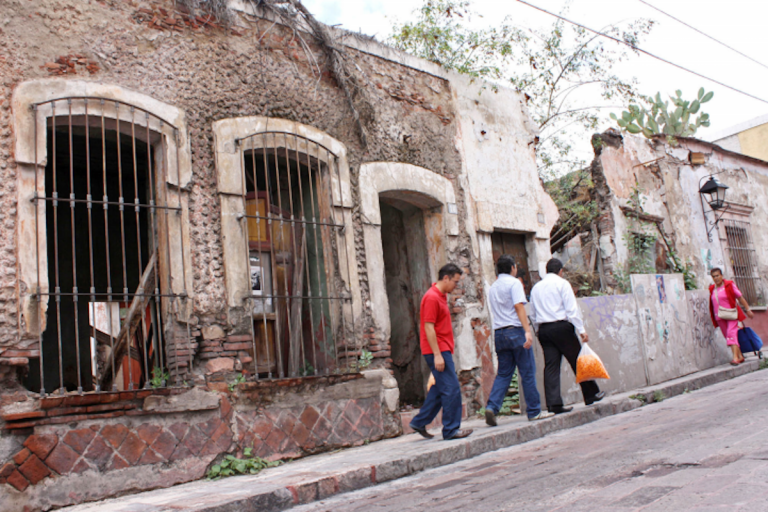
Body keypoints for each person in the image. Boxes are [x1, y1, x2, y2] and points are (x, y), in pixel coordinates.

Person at [485, 255, 554, 426]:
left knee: (503, 373)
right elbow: (518, 306)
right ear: (513, 267)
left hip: (499, 333)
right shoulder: (514, 283)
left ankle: (492, 407)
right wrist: (527, 331)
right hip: (515, 331)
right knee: (527, 372)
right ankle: (534, 411)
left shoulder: (493, 287)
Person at [530, 258, 604, 413]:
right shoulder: (562, 284)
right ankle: (591, 394)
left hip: (544, 329)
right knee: (578, 360)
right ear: (561, 271)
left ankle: (554, 404)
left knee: (551, 367)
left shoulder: (536, 288)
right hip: (561, 327)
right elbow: (572, 310)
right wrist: (581, 330)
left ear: (546, 271)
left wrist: (538, 331)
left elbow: (533, 313)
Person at [409, 263, 473, 440]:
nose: (456, 286)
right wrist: (437, 354)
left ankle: (419, 422)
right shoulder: (431, 297)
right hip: (437, 349)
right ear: (446, 278)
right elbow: (428, 327)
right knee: (452, 388)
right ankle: (451, 429)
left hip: (442, 347)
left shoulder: (441, 295)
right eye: (455, 282)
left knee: (440, 388)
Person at [708, 267, 754, 365]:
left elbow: (740, 298)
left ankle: (735, 358)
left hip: (731, 314)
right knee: (728, 336)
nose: (716, 278)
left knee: (731, 334)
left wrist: (748, 309)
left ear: (721, 276)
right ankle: (740, 356)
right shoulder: (712, 288)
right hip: (719, 317)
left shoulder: (729, 285)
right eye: (714, 277)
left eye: (717, 276)